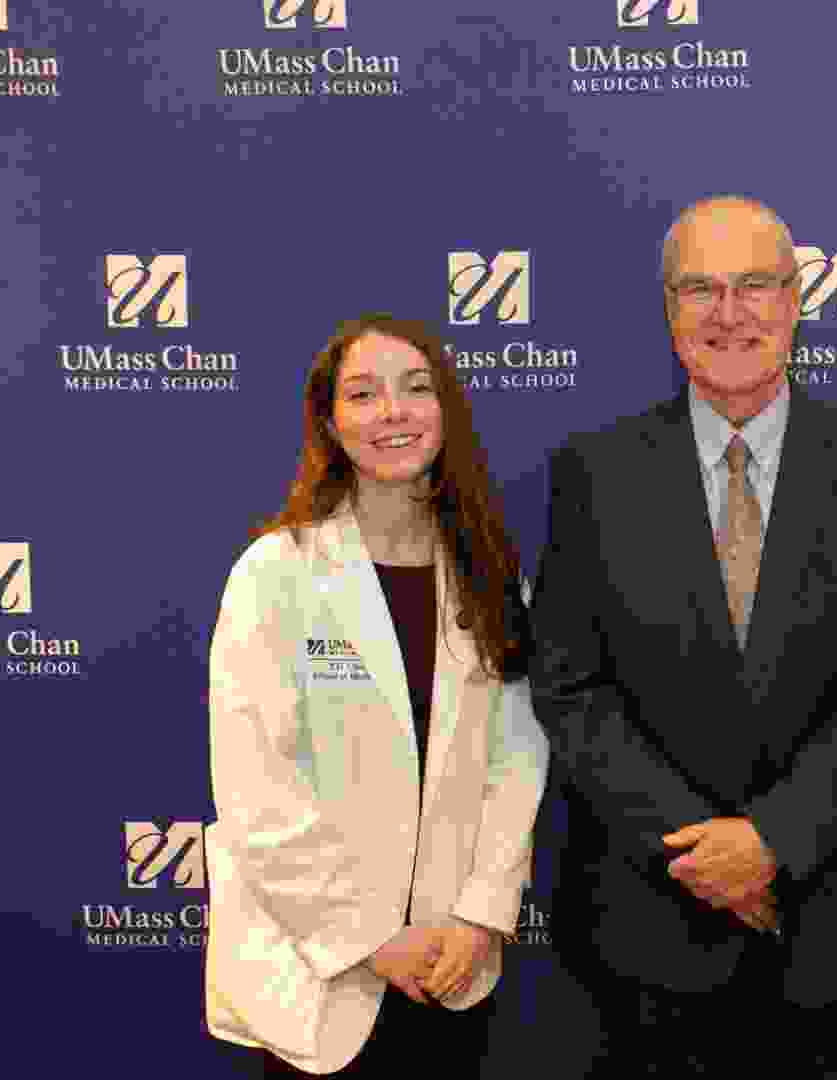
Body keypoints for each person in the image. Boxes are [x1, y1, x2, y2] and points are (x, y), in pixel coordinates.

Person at [528, 195, 837, 1077]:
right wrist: (699, 847)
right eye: (700, 289)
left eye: (756, 285)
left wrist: (774, 840)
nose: (730, 313)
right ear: (668, 310)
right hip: (647, 930)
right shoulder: (592, 474)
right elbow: (571, 686)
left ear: (797, 300)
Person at [204, 314, 549, 1075]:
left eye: (415, 389)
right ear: (330, 422)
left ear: (446, 412)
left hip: (450, 970)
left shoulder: (489, 573)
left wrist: (480, 916)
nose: (393, 412)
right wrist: (367, 938)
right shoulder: (277, 573)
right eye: (363, 394)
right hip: (320, 977)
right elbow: (257, 787)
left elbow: (517, 760)